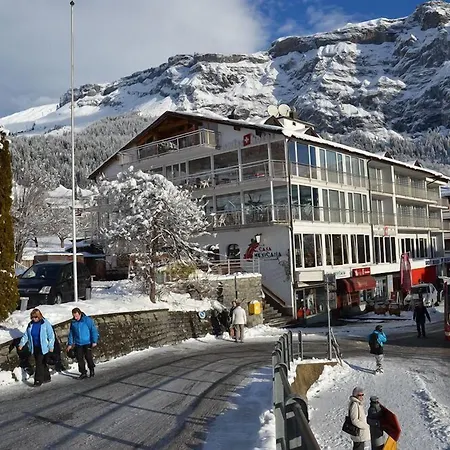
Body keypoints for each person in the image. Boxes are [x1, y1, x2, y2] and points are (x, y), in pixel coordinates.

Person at [18, 309, 55, 387]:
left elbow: (51, 335)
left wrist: (51, 346)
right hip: (34, 347)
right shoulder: (30, 325)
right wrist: (21, 344)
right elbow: (26, 335)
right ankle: (46, 377)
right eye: (32, 317)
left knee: (39, 363)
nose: (34, 319)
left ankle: (38, 380)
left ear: (39, 316)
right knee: (42, 363)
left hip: (43, 347)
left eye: (35, 317)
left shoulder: (45, 323)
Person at [67, 308, 99, 379]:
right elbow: (71, 333)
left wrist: (94, 341)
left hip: (87, 342)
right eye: (74, 316)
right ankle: (83, 372)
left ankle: (91, 369)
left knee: (88, 357)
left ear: (80, 314)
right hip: (78, 343)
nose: (76, 318)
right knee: (79, 358)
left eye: (77, 316)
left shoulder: (87, 320)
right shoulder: (73, 322)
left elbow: (93, 330)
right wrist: (70, 344)